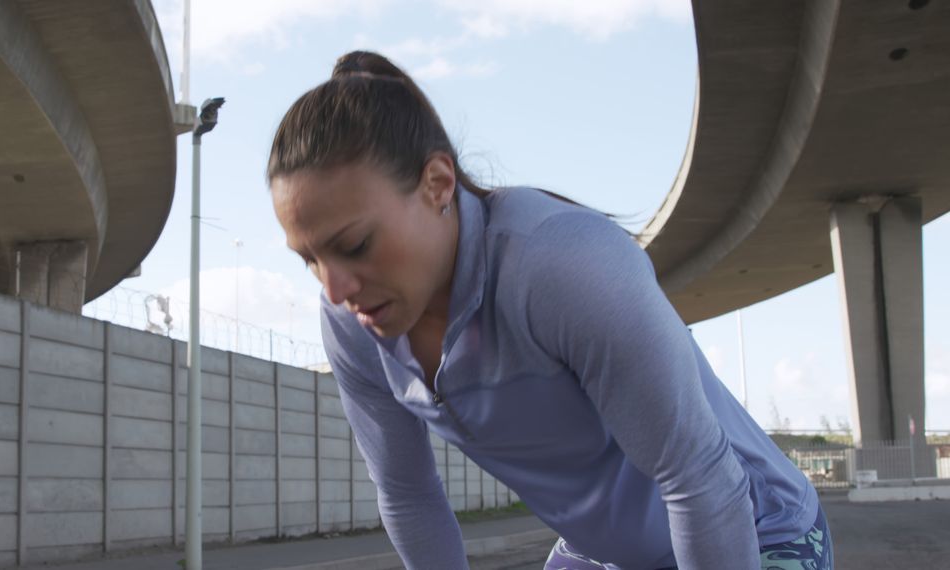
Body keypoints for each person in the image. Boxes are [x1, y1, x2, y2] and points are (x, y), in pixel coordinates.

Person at [266, 50, 833, 570]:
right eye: (309, 259)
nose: (335, 288)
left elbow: (696, 476)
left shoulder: (561, 264)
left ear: (437, 184)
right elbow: (407, 493)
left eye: (356, 245)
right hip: (600, 553)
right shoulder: (352, 323)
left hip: (754, 529)